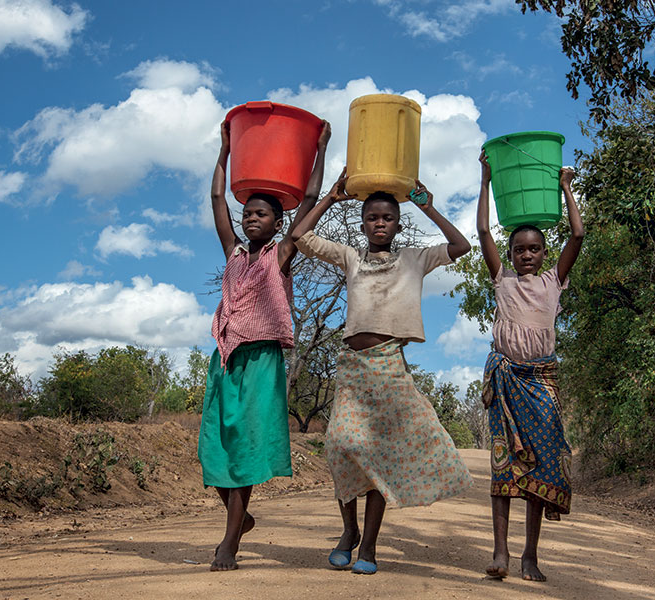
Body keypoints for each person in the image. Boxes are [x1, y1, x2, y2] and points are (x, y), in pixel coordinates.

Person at [291, 173, 473, 575]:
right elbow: (300, 235)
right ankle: (349, 531)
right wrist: (331, 198)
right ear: (361, 224)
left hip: (389, 364)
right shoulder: (351, 257)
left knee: (378, 455)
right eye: (371, 217)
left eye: (387, 218)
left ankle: (369, 547)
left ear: (398, 223)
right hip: (353, 368)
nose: (379, 223)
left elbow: (461, 245)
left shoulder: (415, 259)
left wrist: (427, 205)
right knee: (340, 447)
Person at [197, 116, 331, 571]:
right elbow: (217, 195)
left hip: (262, 360)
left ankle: (228, 544)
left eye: (262, 214)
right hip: (225, 358)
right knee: (214, 448)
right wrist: (225, 150)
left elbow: (310, 199)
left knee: (248, 448)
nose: (252, 219)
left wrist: (323, 153)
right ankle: (241, 518)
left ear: (278, 222)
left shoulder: (283, 253)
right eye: (248, 214)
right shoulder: (233, 252)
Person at [476, 151, 584, 581]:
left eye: (534, 248)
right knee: (503, 468)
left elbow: (577, 235)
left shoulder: (554, 280)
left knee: (541, 465)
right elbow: (483, 228)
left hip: (541, 382)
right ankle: (500, 554)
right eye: (519, 249)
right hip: (506, 380)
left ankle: (530, 556)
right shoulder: (501, 278)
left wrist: (565, 187)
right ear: (511, 253)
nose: (526, 254)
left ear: (543, 254)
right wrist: (485, 178)